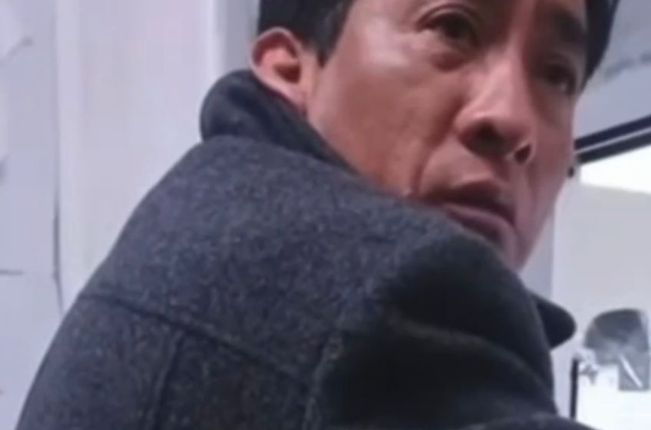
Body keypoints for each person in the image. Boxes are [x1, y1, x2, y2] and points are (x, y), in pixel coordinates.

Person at [19, 0, 617, 429]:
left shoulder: (200, 221)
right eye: (452, 28)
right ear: (290, 68)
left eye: (557, 75)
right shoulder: (404, 288)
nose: (512, 119)